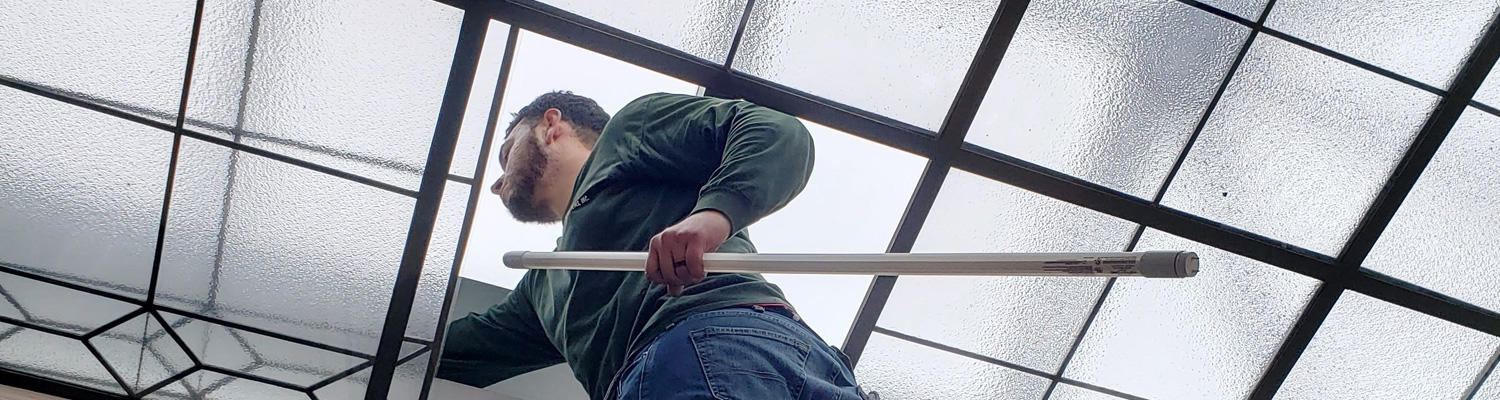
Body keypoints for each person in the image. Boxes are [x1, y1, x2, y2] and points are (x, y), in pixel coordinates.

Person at [437, 91, 870, 399]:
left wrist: (711, 217)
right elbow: (438, 350)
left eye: (506, 150)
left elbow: (775, 132)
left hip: (708, 348)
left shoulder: (627, 133)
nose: (496, 183)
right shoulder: (542, 287)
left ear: (551, 126)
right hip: (795, 360)